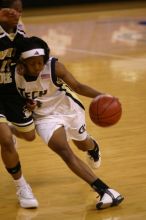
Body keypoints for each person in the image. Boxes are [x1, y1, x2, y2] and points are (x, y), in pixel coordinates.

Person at [15, 36, 124, 210]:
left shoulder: (54, 67)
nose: (37, 66)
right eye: (32, 63)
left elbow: (78, 87)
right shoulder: (13, 74)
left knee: (82, 145)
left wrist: (104, 96)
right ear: (22, 62)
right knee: (64, 151)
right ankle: (105, 190)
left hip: (68, 108)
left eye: (40, 62)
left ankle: (92, 146)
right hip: (44, 117)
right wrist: (27, 104)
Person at [0, 0, 38, 208]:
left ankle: (7, 127)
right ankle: (22, 186)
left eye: (21, 11)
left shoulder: (21, 31)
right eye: (13, 10)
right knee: (5, 139)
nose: (18, 14)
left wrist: (28, 92)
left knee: (29, 136)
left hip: (10, 91)